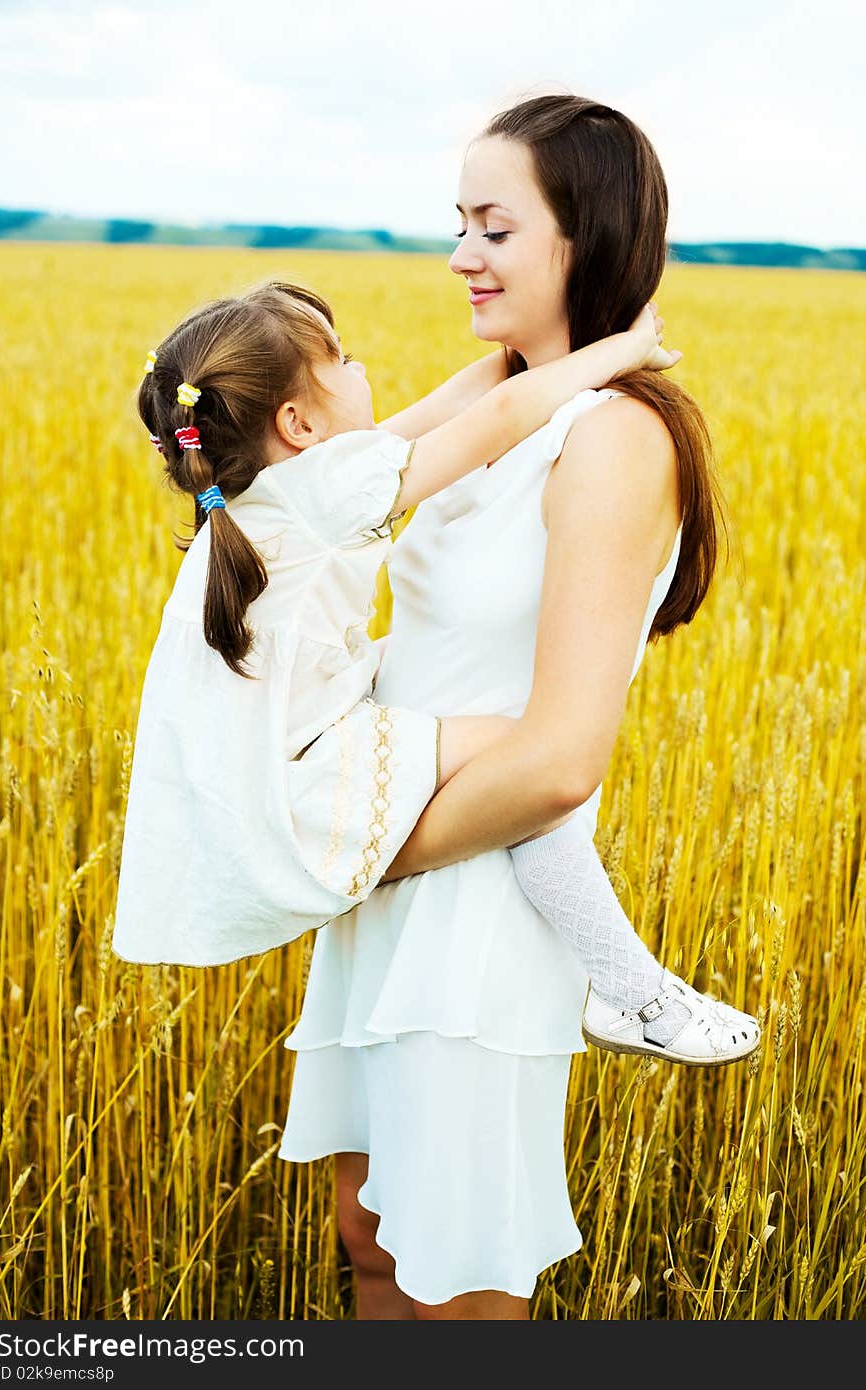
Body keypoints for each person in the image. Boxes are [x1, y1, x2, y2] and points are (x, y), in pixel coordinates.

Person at [276, 95, 758, 1321]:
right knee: (371, 1241)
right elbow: (342, 488)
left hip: (479, 887)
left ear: (582, 239)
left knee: (457, 1273)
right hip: (388, 877)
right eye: (459, 223)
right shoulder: (502, 400)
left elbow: (556, 762)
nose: (459, 256)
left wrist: (360, 853)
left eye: (493, 227)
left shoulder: (609, 441)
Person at [111, 280, 674, 975]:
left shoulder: (272, 492)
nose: (362, 369)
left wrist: (520, 352)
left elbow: (450, 407)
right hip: (308, 780)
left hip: (270, 769)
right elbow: (494, 418)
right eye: (343, 360)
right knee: (521, 748)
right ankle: (621, 979)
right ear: (298, 423)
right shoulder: (328, 487)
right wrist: (627, 347)